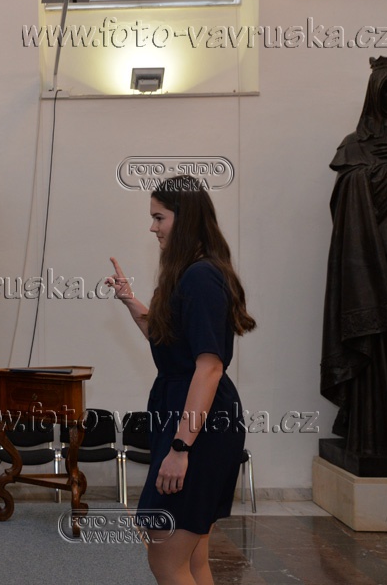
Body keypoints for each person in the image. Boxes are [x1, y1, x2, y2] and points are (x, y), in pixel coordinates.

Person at [107, 175, 255, 585]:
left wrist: (180, 447)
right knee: (191, 560)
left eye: (159, 217)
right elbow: (168, 340)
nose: (152, 227)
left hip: (197, 425)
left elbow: (209, 368)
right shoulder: (193, 273)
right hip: (188, 415)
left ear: (184, 218)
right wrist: (129, 300)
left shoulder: (201, 277)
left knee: (167, 559)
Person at [322, 51, 387, 458]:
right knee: (374, 344)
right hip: (370, 266)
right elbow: (344, 204)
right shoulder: (355, 146)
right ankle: (373, 433)